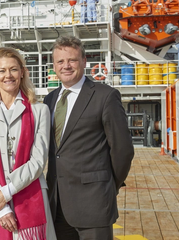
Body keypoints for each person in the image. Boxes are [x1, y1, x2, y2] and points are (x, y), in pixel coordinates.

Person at [43, 36, 134, 239]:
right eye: (60, 61)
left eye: (72, 60)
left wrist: (109, 185)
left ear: (84, 61)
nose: (66, 66)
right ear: (54, 65)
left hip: (94, 203)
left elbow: (123, 150)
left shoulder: (105, 96)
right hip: (57, 204)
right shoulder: (49, 99)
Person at [0, 47, 56, 240]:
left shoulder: (39, 110)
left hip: (29, 193)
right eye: (2, 70)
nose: (8, 75)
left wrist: (6, 192)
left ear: (22, 72)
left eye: (14, 69)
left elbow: (38, 160)